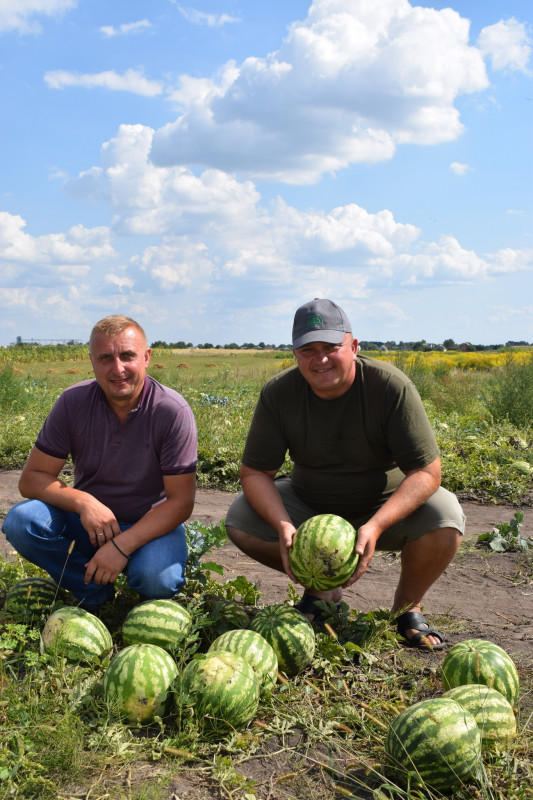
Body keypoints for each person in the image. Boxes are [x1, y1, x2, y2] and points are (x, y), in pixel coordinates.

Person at [225, 298, 465, 650]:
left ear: (353, 346)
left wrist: (377, 525)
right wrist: (282, 524)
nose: (320, 359)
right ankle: (323, 592)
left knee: (445, 517)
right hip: (310, 503)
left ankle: (406, 608)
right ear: (294, 354)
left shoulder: (389, 387)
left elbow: (427, 472)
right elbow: (256, 472)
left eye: (330, 347)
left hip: (383, 505)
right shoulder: (279, 393)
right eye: (308, 349)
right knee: (240, 518)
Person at [3, 315, 197, 612]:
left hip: (150, 524)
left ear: (146, 358)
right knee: (21, 521)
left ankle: (131, 572)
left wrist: (121, 546)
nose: (117, 369)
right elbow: (32, 479)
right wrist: (84, 503)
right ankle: (92, 588)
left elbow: (181, 502)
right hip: (90, 525)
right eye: (105, 358)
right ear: (92, 361)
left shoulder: (171, 411)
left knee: (157, 580)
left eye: (127, 356)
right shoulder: (73, 402)